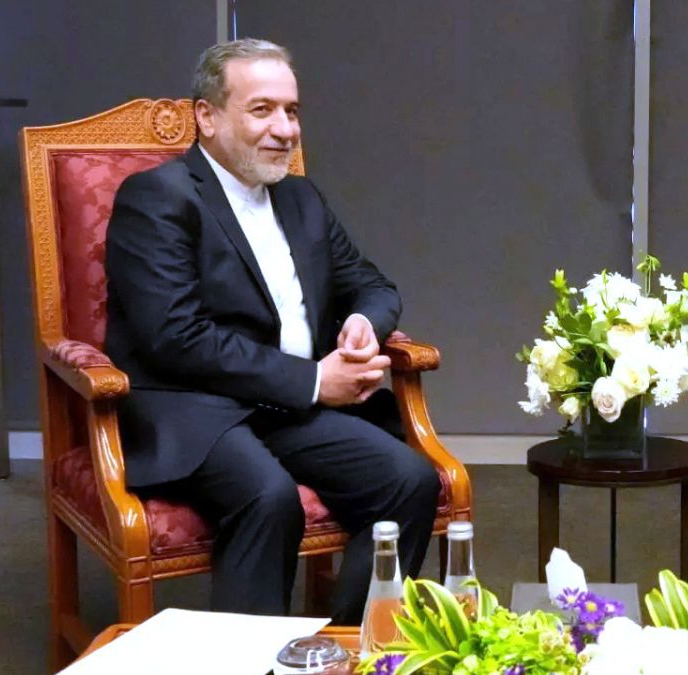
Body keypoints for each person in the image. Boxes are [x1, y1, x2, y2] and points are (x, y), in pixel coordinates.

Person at [104, 38, 439, 623]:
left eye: (292, 111)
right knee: (267, 496)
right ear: (206, 117)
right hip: (195, 408)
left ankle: (344, 648)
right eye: (262, 110)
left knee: (408, 480)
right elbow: (174, 337)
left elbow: (374, 284)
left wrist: (361, 323)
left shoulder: (301, 198)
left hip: (283, 405)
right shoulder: (157, 198)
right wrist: (313, 380)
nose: (285, 129)